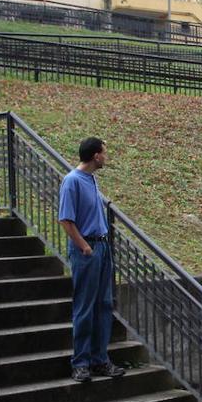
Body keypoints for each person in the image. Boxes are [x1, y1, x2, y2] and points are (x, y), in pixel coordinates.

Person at [58, 137, 125, 383]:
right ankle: (81, 362)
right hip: (87, 248)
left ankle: (100, 359)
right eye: (104, 153)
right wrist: (84, 246)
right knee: (85, 307)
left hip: (102, 245)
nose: (106, 157)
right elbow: (65, 219)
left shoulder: (91, 179)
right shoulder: (72, 181)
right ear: (96, 155)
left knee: (104, 304)